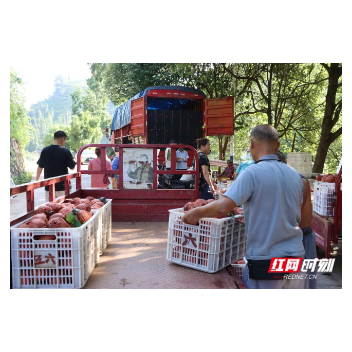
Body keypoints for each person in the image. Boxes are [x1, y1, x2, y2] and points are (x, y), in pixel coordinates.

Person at [182, 125, 307, 289]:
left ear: (252, 144)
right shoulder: (295, 176)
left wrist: (195, 213)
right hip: (296, 259)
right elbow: (298, 217)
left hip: (266, 261)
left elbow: (222, 207)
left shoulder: (251, 173)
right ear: (277, 146)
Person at [276, 150, 317, 289]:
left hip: (302, 238)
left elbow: (293, 215)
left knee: (303, 283)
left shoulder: (299, 181)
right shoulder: (282, 181)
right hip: (291, 238)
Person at [36, 130, 76, 202]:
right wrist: (72, 160)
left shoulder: (45, 150)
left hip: (49, 187)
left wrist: (37, 180)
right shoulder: (65, 151)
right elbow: (72, 167)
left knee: (50, 210)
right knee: (64, 209)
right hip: (63, 186)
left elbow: (40, 166)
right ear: (63, 139)